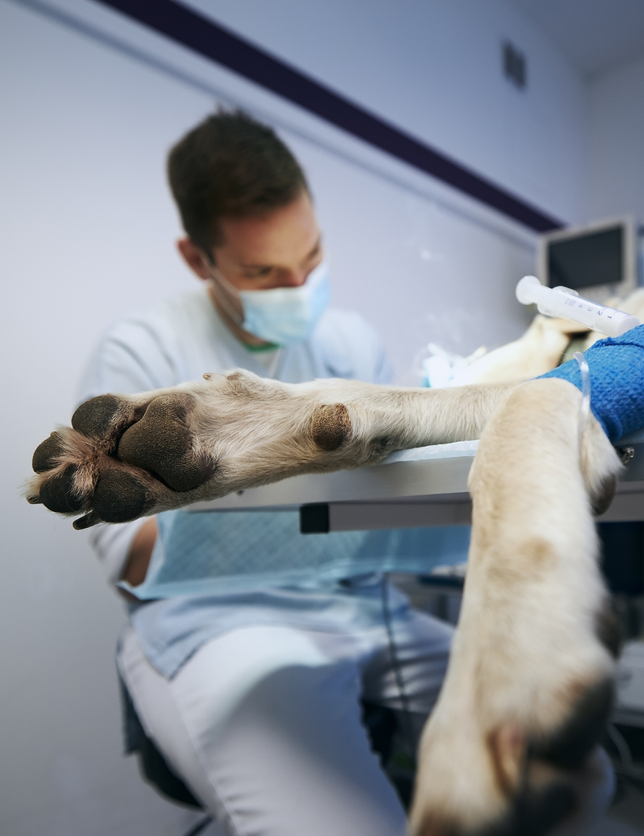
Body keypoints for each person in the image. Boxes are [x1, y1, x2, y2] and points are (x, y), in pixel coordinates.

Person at [79, 110, 458, 836]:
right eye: (262, 272)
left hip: (359, 611)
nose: (296, 287)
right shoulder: (140, 354)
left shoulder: (352, 342)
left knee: (560, 758)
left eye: (311, 259)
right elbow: (131, 560)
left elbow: (390, 502)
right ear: (198, 259)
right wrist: (260, 486)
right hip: (223, 626)